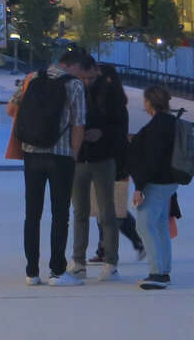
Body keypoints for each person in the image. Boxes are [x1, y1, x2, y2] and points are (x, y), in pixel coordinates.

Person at [8, 47, 88, 286]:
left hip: (31, 153)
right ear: (72, 65)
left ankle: (32, 272)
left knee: (32, 214)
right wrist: (74, 154)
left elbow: (10, 109)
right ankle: (57, 271)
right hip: (60, 156)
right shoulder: (74, 85)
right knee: (60, 215)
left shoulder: (31, 78)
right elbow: (79, 124)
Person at [71, 56, 124, 280]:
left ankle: (111, 262)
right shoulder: (73, 90)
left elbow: (120, 126)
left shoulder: (110, 93)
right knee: (80, 212)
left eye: (90, 78)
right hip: (79, 159)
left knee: (107, 212)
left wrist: (102, 133)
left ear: (97, 71)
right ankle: (78, 261)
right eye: (83, 78)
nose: (86, 82)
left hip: (103, 158)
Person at [126, 85, 182, 290]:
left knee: (143, 226)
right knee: (159, 225)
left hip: (156, 182)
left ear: (149, 102)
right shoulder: (172, 122)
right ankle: (163, 270)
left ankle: (157, 273)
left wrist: (139, 187)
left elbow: (151, 159)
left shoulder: (157, 125)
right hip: (171, 181)